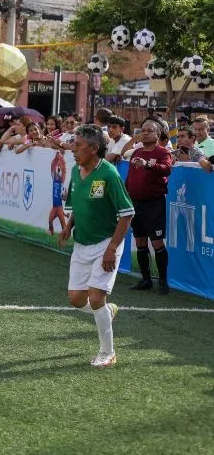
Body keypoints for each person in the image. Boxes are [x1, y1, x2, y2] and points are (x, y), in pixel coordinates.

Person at [58, 125, 134, 368]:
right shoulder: (75, 171)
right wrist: (69, 226)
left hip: (106, 243)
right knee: (77, 300)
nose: (73, 149)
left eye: (78, 145)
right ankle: (106, 311)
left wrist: (112, 249)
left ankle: (108, 352)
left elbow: (127, 214)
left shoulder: (109, 174)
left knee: (96, 297)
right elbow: (78, 207)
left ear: (93, 149)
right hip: (82, 243)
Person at [125, 119, 173, 295]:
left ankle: (163, 281)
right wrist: (125, 192)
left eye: (149, 131)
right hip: (135, 204)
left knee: (158, 243)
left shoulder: (162, 152)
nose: (145, 133)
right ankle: (145, 279)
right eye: (143, 130)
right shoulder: (136, 151)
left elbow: (167, 169)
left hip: (154, 204)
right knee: (140, 242)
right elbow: (130, 177)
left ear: (158, 135)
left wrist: (148, 165)